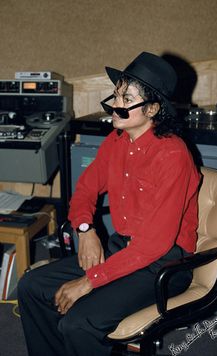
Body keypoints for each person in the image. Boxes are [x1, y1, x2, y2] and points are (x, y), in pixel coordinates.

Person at [17, 51, 200, 356]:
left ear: (153, 109)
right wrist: (86, 229)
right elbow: (85, 190)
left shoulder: (172, 156)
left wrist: (90, 281)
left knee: (79, 322)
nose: (115, 104)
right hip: (124, 249)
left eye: (126, 99)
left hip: (166, 263)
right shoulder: (116, 141)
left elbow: (154, 245)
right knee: (32, 286)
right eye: (116, 94)